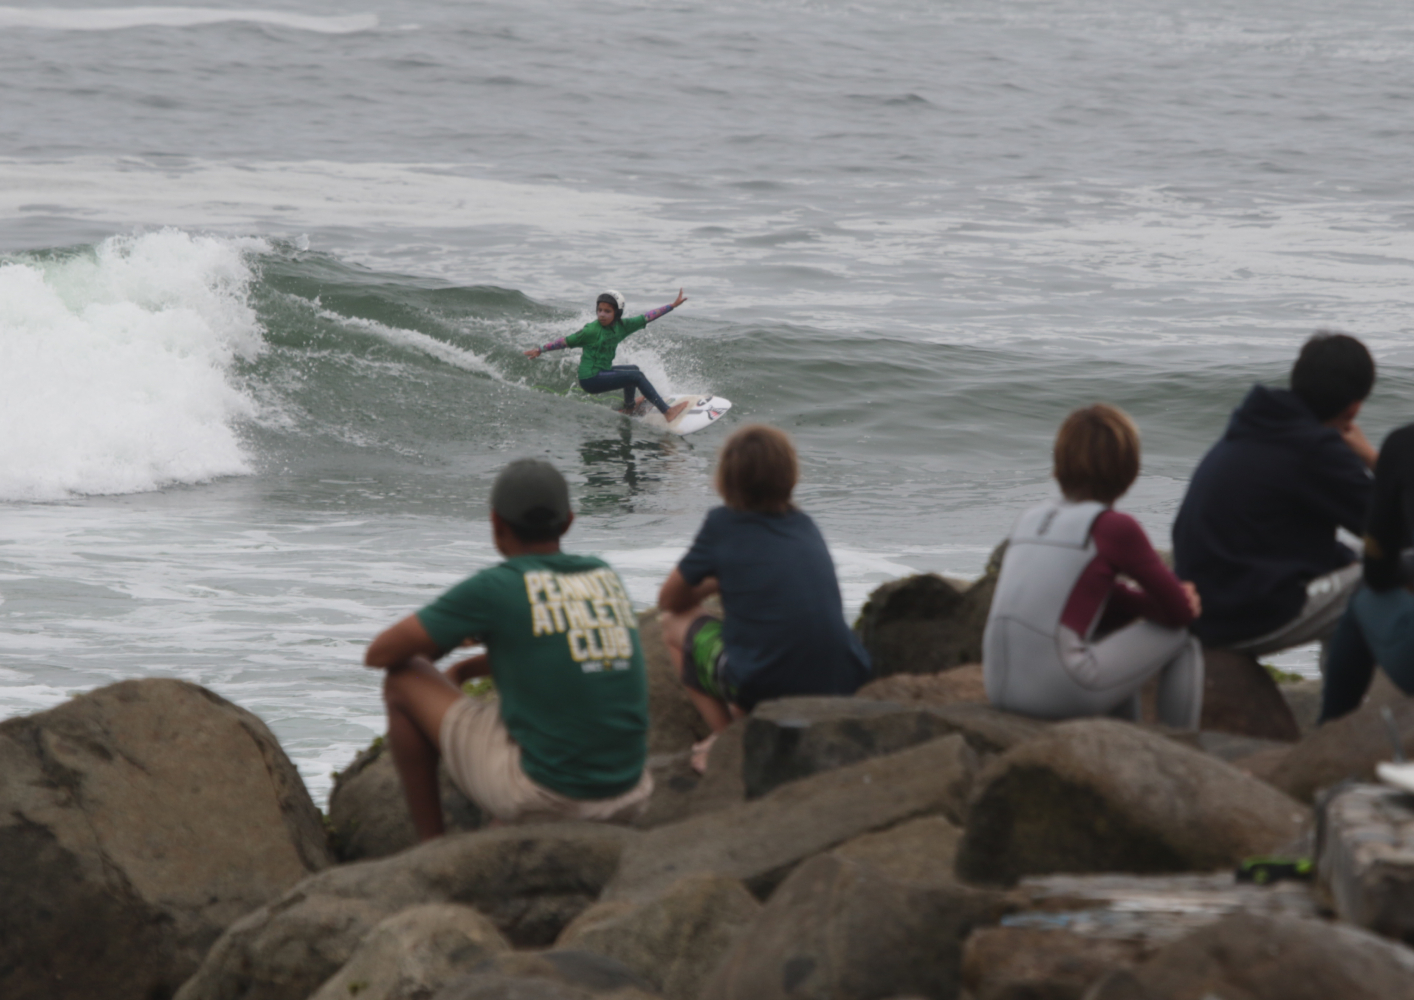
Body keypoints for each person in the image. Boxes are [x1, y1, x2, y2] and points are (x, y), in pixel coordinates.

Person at [364, 458, 651, 838]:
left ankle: (430, 847)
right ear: (568, 522)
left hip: (552, 799)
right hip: (631, 794)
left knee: (401, 681)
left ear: (496, 523)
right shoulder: (602, 574)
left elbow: (381, 654)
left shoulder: (495, 588)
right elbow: (560, 648)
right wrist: (472, 664)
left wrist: (452, 642)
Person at [657, 424, 871, 770]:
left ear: (726, 478)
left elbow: (669, 601)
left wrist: (715, 579)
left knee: (672, 626)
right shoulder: (804, 524)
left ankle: (729, 741)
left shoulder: (722, 524)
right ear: (790, 474)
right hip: (845, 678)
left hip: (765, 683)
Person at [983, 404, 1204, 727]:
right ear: (1128, 470)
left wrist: (1136, 602)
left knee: (1105, 625)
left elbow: (1095, 596)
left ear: (1060, 463)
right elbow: (1179, 614)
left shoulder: (1030, 520)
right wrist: (1181, 599)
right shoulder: (1113, 527)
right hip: (1058, 689)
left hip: (998, 685)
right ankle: (1182, 748)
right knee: (1182, 638)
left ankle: (1122, 740)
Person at [1172, 332, 1377, 668]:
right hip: (1238, 618)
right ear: (1354, 407)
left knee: (1357, 566)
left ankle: (1341, 704)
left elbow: (1287, 531)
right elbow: (1395, 528)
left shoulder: (1259, 424)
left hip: (1208, 606)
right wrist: (1371, 458)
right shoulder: (1314, 449)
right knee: (1387, 580)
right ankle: (1353, 712)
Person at [1320, 423, 1414, 721]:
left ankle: (1330, 735)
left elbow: (1378, 571)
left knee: (1365, 596)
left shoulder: (1404, 445)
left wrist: (1387, 468)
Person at [525, 289, 692, 423]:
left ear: (617, 313)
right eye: (599, 310)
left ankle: (629, 407)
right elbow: (565, 342)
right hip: (590, 378)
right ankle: (668, 412)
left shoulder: (623, 326)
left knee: (634, 370)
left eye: (607, 311)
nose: (602, 314)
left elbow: (648, 317)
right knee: (636, 376)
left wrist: (672, 305)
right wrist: (541, 349)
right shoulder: (591, 330)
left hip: (601, 372)